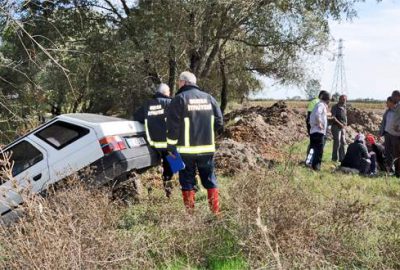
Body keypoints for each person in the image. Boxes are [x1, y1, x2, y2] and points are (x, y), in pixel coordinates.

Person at [166, 71, 224, 214]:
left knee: (187, 182)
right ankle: (215, 214)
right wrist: (207, 135)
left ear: (183, 82)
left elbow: (172, 127)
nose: (178, 84)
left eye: (179, 81)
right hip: (207, 149)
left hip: (186, 151)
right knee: (210, 180)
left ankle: (191, 217)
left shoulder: (179, 99)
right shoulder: (209, 98)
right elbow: (219, 122)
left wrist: (170, 147)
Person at [133, 83, 174, 197]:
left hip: (153, 144)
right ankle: (170, 191)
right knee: (172, 167)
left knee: (161, 168)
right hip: (168, 144)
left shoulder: (147, 105)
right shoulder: (170, 103)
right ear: (166, 92)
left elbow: (136, 117)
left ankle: (161, 190)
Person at [309, 91, 330, 171]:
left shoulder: (319, 104)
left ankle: (310, 164)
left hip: (314, 131)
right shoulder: (321, 105)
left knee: (313, 148)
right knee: (319, 151)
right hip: (318, 131)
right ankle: (316, 167)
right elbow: (318, 114)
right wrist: (320, 123)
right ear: (328, 100)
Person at [305, 90, 328, 161]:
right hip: (317, 127)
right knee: (317, 144)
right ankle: (312, 160)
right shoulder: (319, 103)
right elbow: (316, 114)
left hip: (312, 125)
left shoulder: (315, 101)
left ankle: (309, 160)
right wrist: (319, 123)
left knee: (313, 143)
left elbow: (311, 114)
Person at [378, 96, 399, 172]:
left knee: (395, 153)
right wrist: (380, 133)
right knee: (387, 152)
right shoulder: (388, 111)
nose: (386, 104)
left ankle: (396, 170)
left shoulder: (397, 111)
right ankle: (389, 169)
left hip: (396, 136)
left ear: (392, 102)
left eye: (387, 102)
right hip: (387, 134)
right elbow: (383, 123)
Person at [331, 95, 347, 162]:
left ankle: (342, 158)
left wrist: (345, 124)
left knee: (343, 142)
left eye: (345, 99)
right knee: (337, 142)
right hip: (336, 127)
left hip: (343, 127)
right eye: (343, 99)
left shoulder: (344, 107)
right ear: (339, 99)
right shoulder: (335, 107)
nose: (344, 101)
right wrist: (340, 124)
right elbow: (333, 117)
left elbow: (345, 116)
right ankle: (334, 158)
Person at [390, 90, 400, 177]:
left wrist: (398, 127)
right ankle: (397, 172)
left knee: (397, 154)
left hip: (398, 134)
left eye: (393, 96)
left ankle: (398, 173)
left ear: (398, 96)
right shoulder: (397, 106)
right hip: (396, 134)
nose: (392, 98)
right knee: (396, 154)